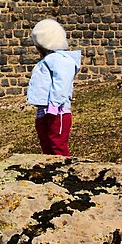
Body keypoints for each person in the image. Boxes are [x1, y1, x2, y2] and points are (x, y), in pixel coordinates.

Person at [26, 19, 81, 157]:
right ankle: (50, 171)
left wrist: (54, 105)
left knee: (57, 144)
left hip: (58, 111)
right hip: (43, 109)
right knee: (46, 143)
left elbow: (61, 83)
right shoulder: (47, 60)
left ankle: (64, 171)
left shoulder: (60, 60)